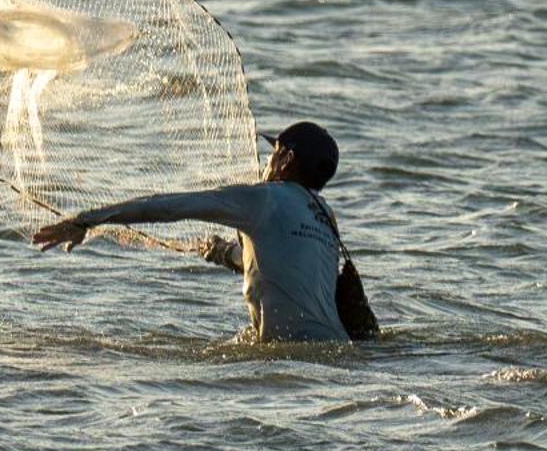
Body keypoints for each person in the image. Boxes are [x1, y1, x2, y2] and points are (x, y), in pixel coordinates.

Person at [32, 121, 375, 343]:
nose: (266, 162)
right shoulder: (324, 214)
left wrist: (88, 220)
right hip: (337, 349)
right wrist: (226, 254)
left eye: (272, 153)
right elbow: (287, 265)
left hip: (294, 356)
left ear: (285, 160)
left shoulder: (264, 198)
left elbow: (169, 207)